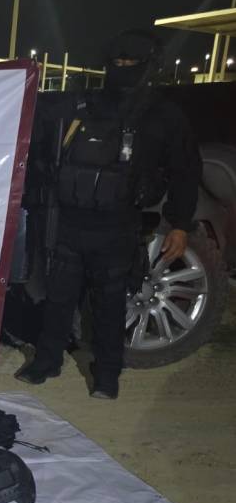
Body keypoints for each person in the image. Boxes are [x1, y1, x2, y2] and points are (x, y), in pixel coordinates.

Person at [14, 29, 200, 399]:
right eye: (117, 62)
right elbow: (34, 123)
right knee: (58, 298)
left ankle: (107, 374)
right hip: (67, 221)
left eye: (132, 62)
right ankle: (47, 361)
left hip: (118, 226)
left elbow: (185, 170)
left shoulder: (162, 115)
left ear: (149, 66)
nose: (123, 68)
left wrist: (180, 224)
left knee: (111, 302)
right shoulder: (80, 105)